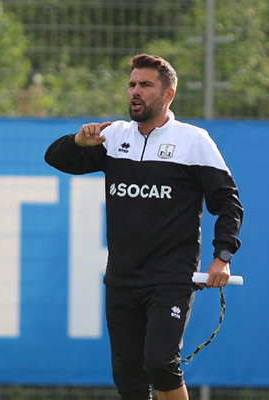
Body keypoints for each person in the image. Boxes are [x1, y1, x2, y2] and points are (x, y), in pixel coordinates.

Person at [44, 54, 244, 400]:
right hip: (122, 278)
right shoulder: (114, 136)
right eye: (132, 84)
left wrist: (222, 256)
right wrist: (77, 142)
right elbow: (56, 159)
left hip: (171, 276)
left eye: (146, 85)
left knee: (160, 363)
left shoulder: (194, 140)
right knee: (128, 378)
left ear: (169, 94)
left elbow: (228, 204)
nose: (135, 91)